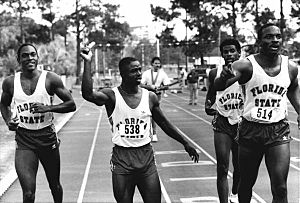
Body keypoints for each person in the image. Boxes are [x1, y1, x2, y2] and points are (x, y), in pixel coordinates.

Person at [80, 48, 199, 203]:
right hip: (122, 159)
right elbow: (88, 94)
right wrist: (87, 62)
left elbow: (164, 123)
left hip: (145, 158)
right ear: (123, 74)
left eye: (139, 70)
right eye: (133, 71)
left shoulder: (150, 97)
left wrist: (185, 143)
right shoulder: (111, 96)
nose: (138, 74)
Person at [214, 23, 300, 203]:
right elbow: (219, 86)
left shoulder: (290, 67)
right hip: (251, 130)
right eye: (269, 37)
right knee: (246, 184)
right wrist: (223, 77)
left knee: (281, 187)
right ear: (260, 41)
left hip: (278, 130)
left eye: (278, 36)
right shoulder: (246, 65)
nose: (274, 40)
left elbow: (292, 89)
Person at [0, 43, 76, 203]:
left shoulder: (50, 79)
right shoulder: (10, 82)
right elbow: (3, 104)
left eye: (33, 54)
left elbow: (71, 104)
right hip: (24, 139)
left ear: (37, 57)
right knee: (28, 193)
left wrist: (48, 108)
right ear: (19, 59)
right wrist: (8, 121)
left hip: (47, 137)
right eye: (25, 55)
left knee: (54, 185)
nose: (30, 58)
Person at [205, 38, 242, 203]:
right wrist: (208, 106)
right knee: (222, 167)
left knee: (240, 167)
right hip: (222, 122)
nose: (229, 54)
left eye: (232, 51)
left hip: (242, 122)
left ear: (239, 53)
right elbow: (210, 95)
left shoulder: (246, 70)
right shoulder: (214, 73)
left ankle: (235, 191)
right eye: (225, 51)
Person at [140, 56, 171, 142]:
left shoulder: (162, 74)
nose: (157, 65)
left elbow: (167, 86)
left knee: (154, 114)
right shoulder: (146, 73)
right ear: (152, 64)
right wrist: (150, 87)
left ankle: (154, 133)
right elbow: (141, 85)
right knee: (146, 114)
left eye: (158, 63)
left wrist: (160, 88)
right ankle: (146, 132)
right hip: (147, 95)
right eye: (156, 63)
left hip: (157, 96)